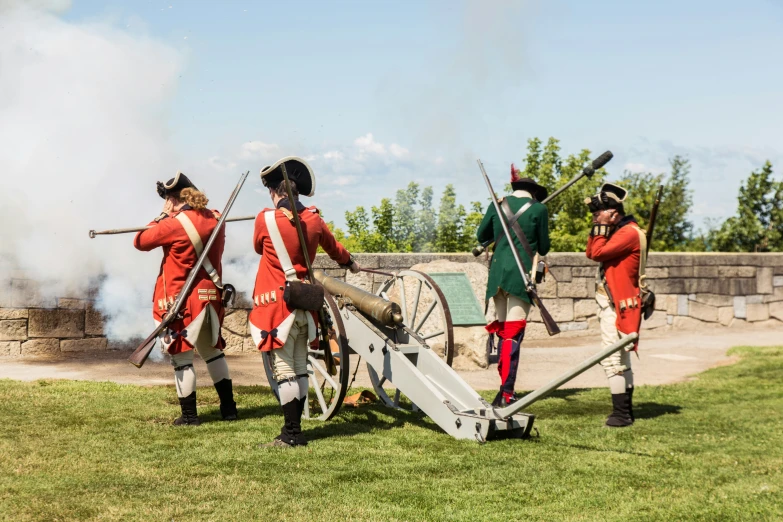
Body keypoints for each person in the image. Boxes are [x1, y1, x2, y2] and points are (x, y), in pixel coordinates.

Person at [248, 157, 361, 448]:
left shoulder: (265, 219)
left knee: (284, 370)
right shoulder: (314, 219)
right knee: (299, 368)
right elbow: (336, 250)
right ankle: (295, 432)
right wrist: (351, 263)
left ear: (276, 191)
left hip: (276, 305)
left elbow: (258, 246)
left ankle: (291, 434)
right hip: (306, 304)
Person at [133, 172, 237, 426]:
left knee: (181, 358)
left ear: (172, 199)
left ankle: (190, 416)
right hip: (211, 296)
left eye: (167, 199)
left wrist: (161, 216)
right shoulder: (216, 218)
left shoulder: (172, 223)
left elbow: (140, 241)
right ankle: (229, 409)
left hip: (182, 300)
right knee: (213, 353)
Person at [477, 164, 550, 407]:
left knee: (504, 334)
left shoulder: (497, 204)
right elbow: (545, 247)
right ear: (534, 192)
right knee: (513, 336)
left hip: (497, 276)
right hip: (520, 277)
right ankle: (507, 392)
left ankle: (503, 390)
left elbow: (481, 236)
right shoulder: (539, 209)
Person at [585, 182, 644, 427]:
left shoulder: (628, 233)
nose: (595, 217)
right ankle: (625, 412)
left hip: (617, 303)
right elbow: (591, 252)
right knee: (620, 358)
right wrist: (600, 227)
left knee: (612, 358)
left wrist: (600, 228)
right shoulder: (621, 231)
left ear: (613, 212)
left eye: (599, 213)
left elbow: (597, 253)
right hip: (613, 301)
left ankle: (621, 414)